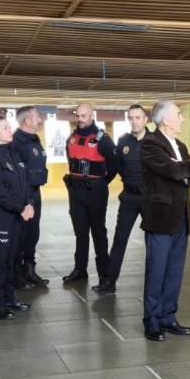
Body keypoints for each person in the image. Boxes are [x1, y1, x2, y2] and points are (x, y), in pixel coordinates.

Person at [140, 100, 190, 340]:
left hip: (182, 216)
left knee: (174, 270)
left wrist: (184, 168)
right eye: (179, 115)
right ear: (166, 120)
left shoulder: (180, 146)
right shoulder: (150, 144)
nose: (183, 119)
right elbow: (177, 171)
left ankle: (168, 316)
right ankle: (152, 320)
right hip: (161, 218)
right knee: (157, 270)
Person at [0, 116, 34, 320]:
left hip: (17, 214)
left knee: (12, 259)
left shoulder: (14, 154)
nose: (10, 130)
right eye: (5, 128)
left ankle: (9, 298)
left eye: (10, 127)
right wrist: (20, 208)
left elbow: (26, 181)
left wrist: (29, 203)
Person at [93, 104, 148, 295]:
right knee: (120, 239)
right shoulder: (123, 141)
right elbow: (118, 167)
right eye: (131, 118)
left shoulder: (156, 142)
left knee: (154, 242)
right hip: (129, 197)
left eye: (137, 118)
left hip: (150, 198)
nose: (134, 121)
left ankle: (153, 283)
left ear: (145, 119)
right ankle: (109, 281)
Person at [62, 103, 118, 285]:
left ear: (92, 116)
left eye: (83, 116)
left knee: (98, 233)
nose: (80, 119)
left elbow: (114, 166)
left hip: (96, 191)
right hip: (75, 192)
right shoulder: (71, 138)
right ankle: (80, 269)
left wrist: (100, 183)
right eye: (78, 115)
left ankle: (104, 273)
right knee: (80, 233)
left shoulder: (103, 140)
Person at [9, 105, 50, 289]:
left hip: (35, 191)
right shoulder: (16, 142)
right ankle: (17, 276)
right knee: (21, 235)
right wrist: (27, 201)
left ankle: (30, 271)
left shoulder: (34, 140)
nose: (40, 119)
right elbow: (18, 174)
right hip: (23, 194)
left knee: (33, 234)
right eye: (37, 116)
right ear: (27, 121)